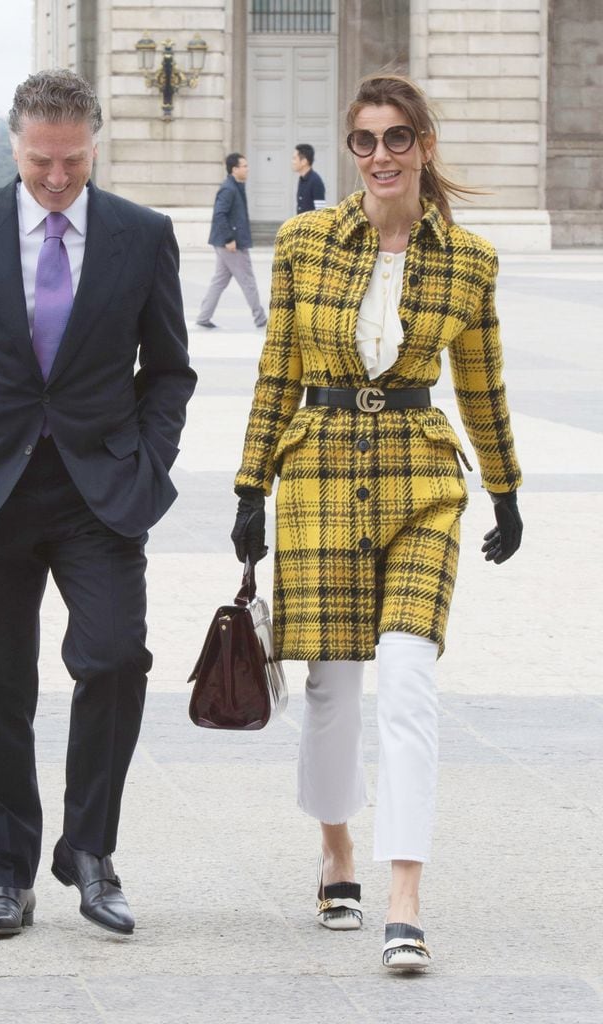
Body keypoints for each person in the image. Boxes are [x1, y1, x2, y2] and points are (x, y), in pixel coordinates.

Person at [0, 70, 196, 939]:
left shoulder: (142, 235)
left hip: (99, 492)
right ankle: (7, 876)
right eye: (39, 162)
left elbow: (168, 370)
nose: (56, 179)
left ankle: (91, 855)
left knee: (113, 661)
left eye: (71, 161)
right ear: (14, 145)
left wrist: (148, 460)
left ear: (95, 144)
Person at [230, 73, 522, 970]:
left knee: (407, 678)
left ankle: (404, 896)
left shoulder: (469, 260)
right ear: (350, 151)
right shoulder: (307, 241)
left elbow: (481, 380)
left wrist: (506, 489)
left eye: (399, 139)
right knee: (332, 691)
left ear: (424, 147)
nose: (382, 156)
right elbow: (279, 365)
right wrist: (249, 486)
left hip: (422, 478)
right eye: (365, 141)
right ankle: (337, 850)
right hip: (317, 472)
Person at [196, 153, 267, 330]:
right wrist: (229, 238)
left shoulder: (235, 186)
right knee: (247, 280)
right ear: (234, 169)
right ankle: (261, 319)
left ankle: (203, 317)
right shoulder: (229, 189)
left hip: (228, 241)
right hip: (231, 243)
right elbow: (219, 214)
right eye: (244, 166)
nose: (247, 168)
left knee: (219, 280)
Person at [292, 143, 326, 213]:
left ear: (304, 161)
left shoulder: (316, 181)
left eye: (294, 158)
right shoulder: (302, 179)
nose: (292, 162)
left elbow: (321, 211)